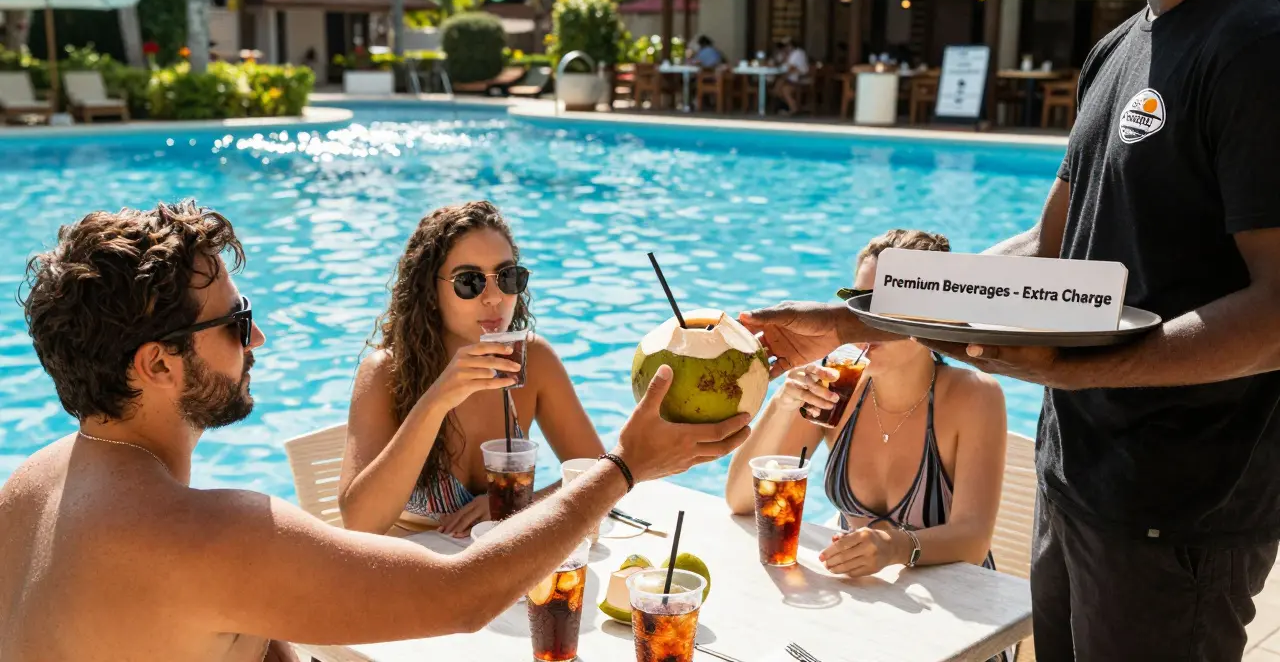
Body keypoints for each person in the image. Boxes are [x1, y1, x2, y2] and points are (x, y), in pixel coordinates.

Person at [740, 0, 1280, 659]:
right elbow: (1044, 246)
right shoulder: (1121, 46)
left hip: (1178, 508)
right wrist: (854, 319)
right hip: (1075, 481)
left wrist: (1073, 369)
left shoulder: (1260, 41)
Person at [0, 201, 750, 662]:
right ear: (157, 365)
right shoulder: (216, 535)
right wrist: (623, 467)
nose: (256, 341)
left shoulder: (28, 488)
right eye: (235, 325)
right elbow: (459, 598)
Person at [725, 230, 1013, 662]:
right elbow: (740, 500)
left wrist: (896, 546)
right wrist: (784, 403)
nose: (862, 320)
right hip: (864, 620)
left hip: (959, 630)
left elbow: (972, 540)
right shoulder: (838, 386)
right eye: (857, 301)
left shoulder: (973, 396)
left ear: (931, 318)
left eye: (885, 304)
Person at [339, 201, 607, 538]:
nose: (494, 298)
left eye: (506, 277)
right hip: (404, 573)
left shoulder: (533, 361)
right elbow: (359, 524)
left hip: (497, 571)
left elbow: (601, 476)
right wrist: (436, 401)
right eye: (470, 281)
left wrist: (520, 508)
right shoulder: (385, 374)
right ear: (430, 292)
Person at [773, 37, 810, 115]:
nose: (784, 48)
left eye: (786, 46)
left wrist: (783, 78)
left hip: (800, 78)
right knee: (778, 88)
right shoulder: (789, 54)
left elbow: (791, 68)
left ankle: (793, 108)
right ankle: (793, 107)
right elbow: (781, 64)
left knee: (783, 88)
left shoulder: (797, 53)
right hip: (793, 77)